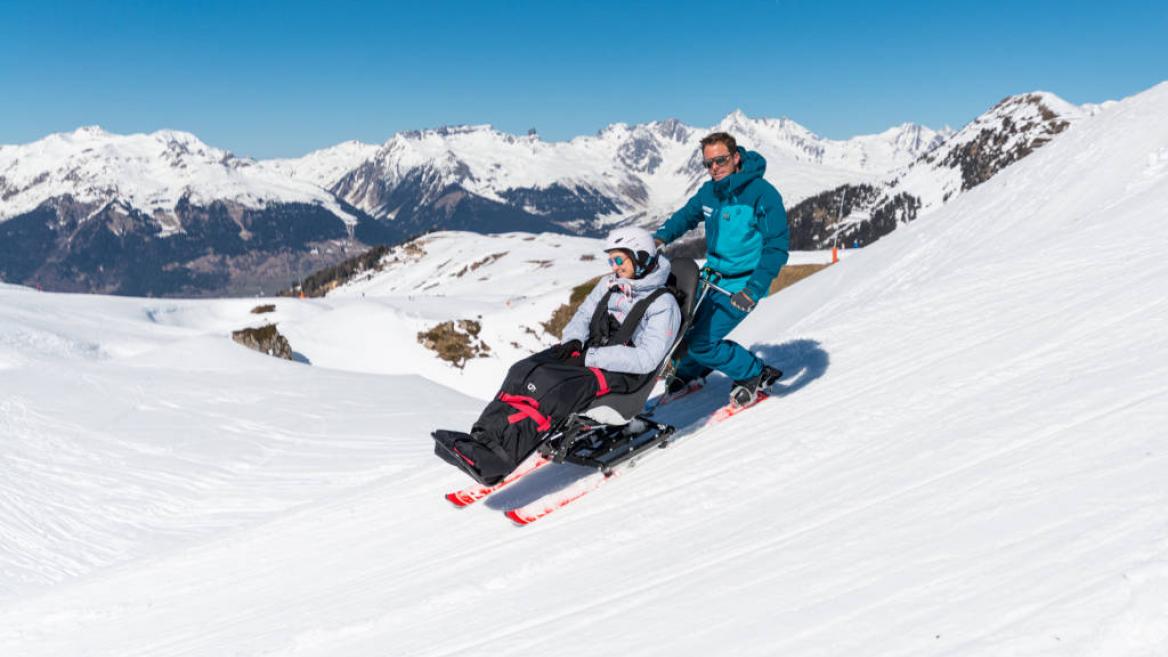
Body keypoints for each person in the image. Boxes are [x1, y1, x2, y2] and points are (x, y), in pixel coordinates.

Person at [434, 227, 682, 485]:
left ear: (640, 257)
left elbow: (646, 358)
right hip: (590, 355)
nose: (614, 266)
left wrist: (593, 356)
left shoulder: (663, 305)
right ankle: (482, 438)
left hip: (621, 374)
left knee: (550, 386)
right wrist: (573, 339)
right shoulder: (610, 284)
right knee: (523, 370)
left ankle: (501, 459)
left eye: (619, 260)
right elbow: (584, 316)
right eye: (611, 260)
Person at [652, 132, 788, 408]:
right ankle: (692, 371)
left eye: (721, 160)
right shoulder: (709, 192)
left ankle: (755, 373)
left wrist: (754, 289)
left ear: (736, 157)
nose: (714, 168)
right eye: (708, 163)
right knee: (685, 329)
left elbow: (776, 247)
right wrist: (659, 238)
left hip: (743, 283)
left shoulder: (762, 194)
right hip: (710, 278)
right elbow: (686, 217)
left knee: (704, 342)